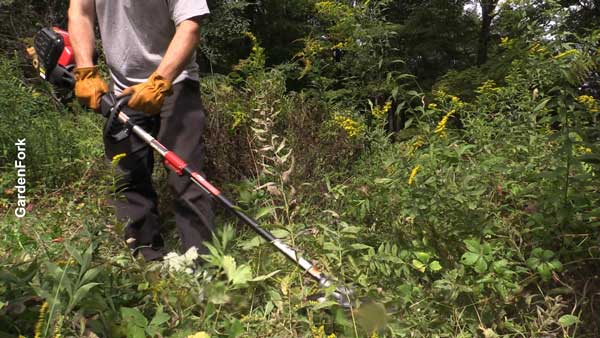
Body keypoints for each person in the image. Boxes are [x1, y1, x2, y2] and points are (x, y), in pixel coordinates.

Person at [68, 0, 215, 260]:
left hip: (175, 82)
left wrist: (160, 82)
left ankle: (204, 267)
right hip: (123, 90)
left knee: (186, 176)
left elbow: (190, 26)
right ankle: (146, 263)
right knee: (129, 178)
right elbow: (80, 12)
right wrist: (85, 71)